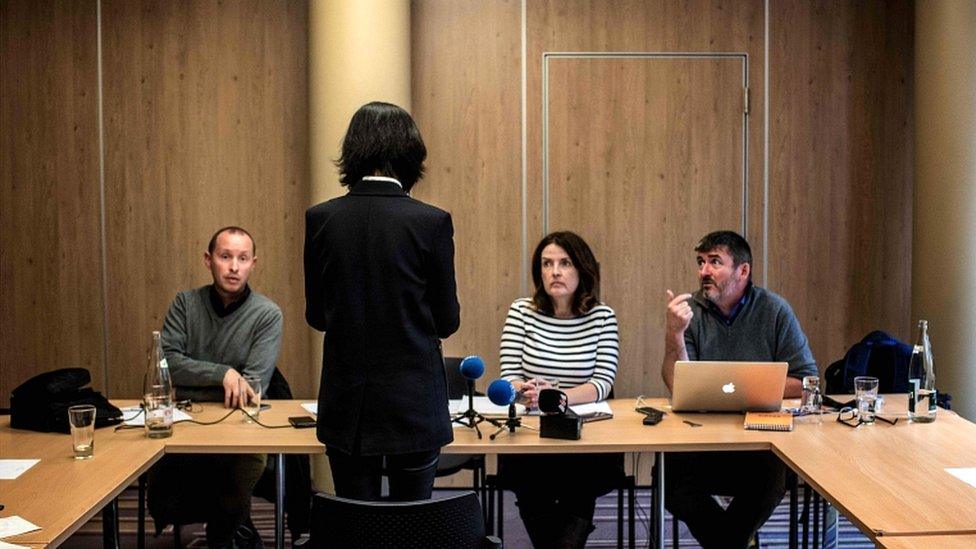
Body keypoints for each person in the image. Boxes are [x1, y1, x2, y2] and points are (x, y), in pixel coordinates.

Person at [304, 101, 460, 501]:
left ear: (352, 153)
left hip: (347, 408)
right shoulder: (432, 222)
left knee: (357, 528)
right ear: (412, 155)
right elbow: (446, 322)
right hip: (415, 408)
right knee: (413, 523)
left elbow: (318, 316)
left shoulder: (321, 219)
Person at [661, 230, 817, 549]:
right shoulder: (691, 313)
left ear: (742, 271)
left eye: (715, 262)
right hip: (701, 441)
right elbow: (676, 383)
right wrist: (675, 335)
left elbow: (806, 381)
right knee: (672, 484)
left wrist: (745, 385)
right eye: (701, 262)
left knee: (773, 479)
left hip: (757, 444)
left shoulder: (774, 310)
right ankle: (737, 542)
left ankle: (727, 542)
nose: (704, 271)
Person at [149, 226, 283, 549]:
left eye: (242, 258)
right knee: (159, 459)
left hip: (240, 428)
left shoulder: (267, 315)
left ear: (254, 263)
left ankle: (226, 532)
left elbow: (253, 386)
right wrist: (223, 374)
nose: (234, 267)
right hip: (185, 423)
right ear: (208, 260)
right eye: (225, 257)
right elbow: (165, 364)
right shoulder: (185, 304)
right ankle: (236, 527)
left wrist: (192, 380)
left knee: (246, 463)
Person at [498, 231, 621, 549]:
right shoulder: (521, 311)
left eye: (565, 263)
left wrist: (560, 396)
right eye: (546, 263)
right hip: (532, 430)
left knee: (579, 484)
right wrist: (524, 390)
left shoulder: (602, 316)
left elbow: (602, 383)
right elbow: (509, 374)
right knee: (531, 483)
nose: (554, 271)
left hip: (582, 433)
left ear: (582, 269)